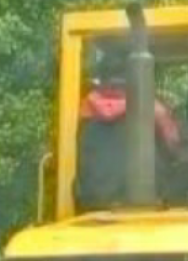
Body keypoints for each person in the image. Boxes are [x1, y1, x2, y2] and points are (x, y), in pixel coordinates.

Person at [74, 48, 180, 211]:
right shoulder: (153, 109)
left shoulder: (84, 110)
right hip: (149, 206)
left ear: (102, 80)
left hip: (95, 207)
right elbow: (175, 148)